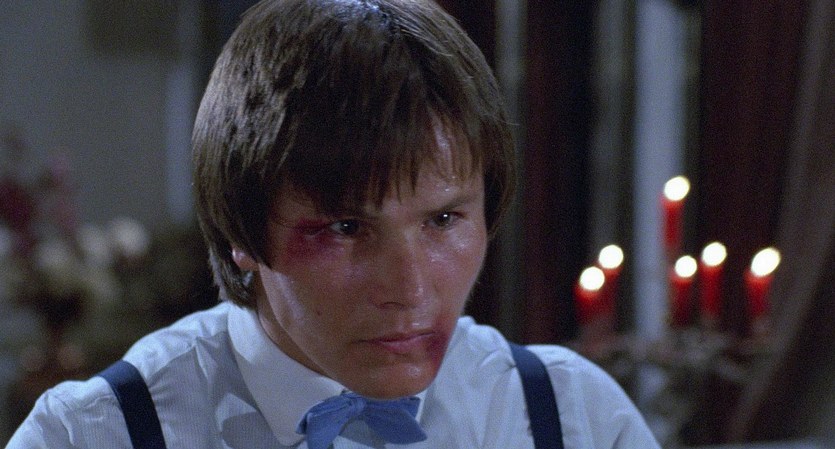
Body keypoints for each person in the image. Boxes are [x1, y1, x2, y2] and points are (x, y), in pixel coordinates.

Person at [7, 0, 661, 447]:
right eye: (346, 228)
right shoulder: (97, 434)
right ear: (241, 233)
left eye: (442, 219)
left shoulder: (569, 418)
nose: (409, 289)